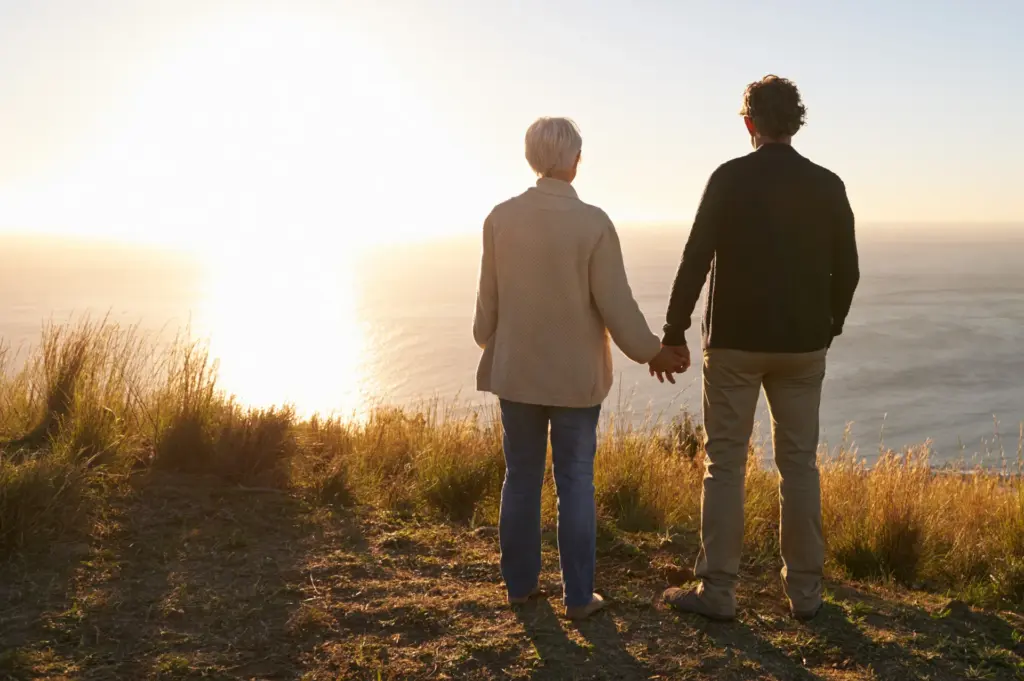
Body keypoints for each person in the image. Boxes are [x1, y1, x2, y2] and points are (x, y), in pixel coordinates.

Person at [658, 76, 860, 621]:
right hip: (801, 348)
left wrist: (674, 333)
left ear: (750, 123)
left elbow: (695, 257)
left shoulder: (729, 178)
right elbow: (850, 272)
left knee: (724, 464)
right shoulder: (828, 184)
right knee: (799, 466)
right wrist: (827, 328)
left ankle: (718, 591)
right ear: (795, 122)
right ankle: (807, 595)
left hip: (734, 345)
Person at [474, 117, 687, 620]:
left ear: (531, 158)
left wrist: (493, 341)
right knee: (575, 481)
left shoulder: (500, 219)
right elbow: (616, 304)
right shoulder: (593, 223)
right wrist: (651, 351)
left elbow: (487, 311)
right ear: (575, 160)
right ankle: (577, 598)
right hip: (575, 380)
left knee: (520, 478)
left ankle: (520, 588)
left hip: (518, 373)